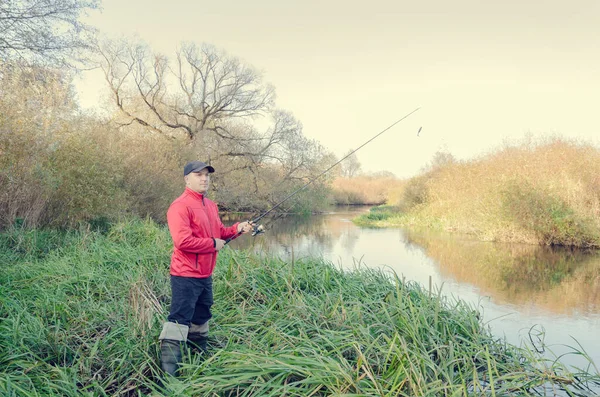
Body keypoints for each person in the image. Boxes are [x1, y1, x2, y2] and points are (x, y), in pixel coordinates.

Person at [159, 161, 254, 376]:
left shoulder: (210, 205)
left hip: (205, 274)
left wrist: (238, 229)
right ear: (187, 179)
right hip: (185, 274)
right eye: (199, 175)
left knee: (202, 316)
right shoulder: (179, 206)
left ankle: (197, 361)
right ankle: (169, 376)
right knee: (179, 318)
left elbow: (220, 232)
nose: (204, 179)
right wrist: (212, 244)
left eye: (207, 175)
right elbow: (182, 241)